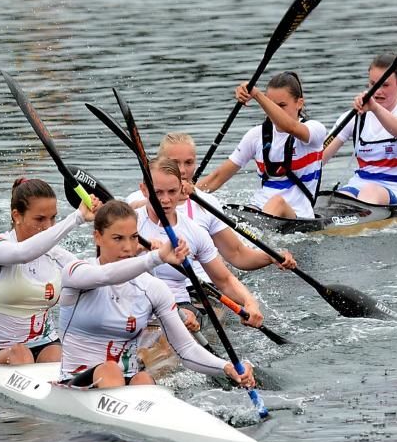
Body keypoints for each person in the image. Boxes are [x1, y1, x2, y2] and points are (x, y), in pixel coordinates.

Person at [58, 200, 256, 390]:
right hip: (75, 382)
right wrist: (157, 257)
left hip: (128, 382)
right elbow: (106, 275)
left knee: (144, 378)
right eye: (118, 238)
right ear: (97, 237)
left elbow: (186, 350)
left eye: (134, 237)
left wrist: (227, 367)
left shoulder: (152, 288)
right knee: (110, 368)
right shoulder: (76, 273)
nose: (128, 247)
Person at [0, 178, 106, 366]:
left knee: (64, 356)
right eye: (40, 219)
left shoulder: (57, 256)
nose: (48, 226)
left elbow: (100, 276)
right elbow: (22, 253)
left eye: (53, 218)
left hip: (48, 344)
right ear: (17, 216)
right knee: (21, 355)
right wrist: (76, 217)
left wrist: (126, 244)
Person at [130, 132, 297, 273]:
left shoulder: (207, 203)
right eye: (174, 163)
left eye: (189, 163)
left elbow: (237, 254)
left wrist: (270, 256)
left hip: (201, 287)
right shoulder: (137, 199)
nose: (182, 170)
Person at [137, 157, 265, 328]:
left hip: (178, 307)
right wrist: (137, 248)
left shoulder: (193, 231)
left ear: (182, 190)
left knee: (182, 319)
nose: (166, 200)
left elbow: (224, 280)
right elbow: (105, 267)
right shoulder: (129, 223)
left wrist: (249, 302)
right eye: (158, 192)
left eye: (172, 192)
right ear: (144, 190)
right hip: (133, 301)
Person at [198, 72, 327, 219]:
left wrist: (257, 95)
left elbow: (290, 127)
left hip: (297, 215)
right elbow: (217, 177)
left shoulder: (314, 130)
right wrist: (186, 196)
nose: (274, 111)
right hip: (259, 209)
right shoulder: (255, 135)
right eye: (271, 105)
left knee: (276, 202)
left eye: (282, 106)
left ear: (299, 103)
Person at [322, 53, 397, 205]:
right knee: (334, 200)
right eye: (373, 84)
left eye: (384, 85)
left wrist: (374, 108)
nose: (377, 92)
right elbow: (318, 158)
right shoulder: (355, 117)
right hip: (358, 186)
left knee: (370, 190)